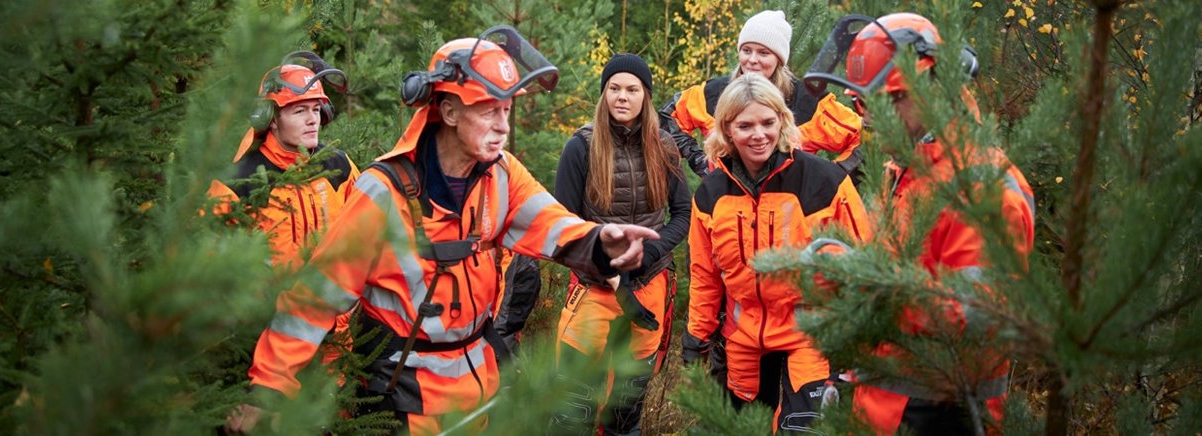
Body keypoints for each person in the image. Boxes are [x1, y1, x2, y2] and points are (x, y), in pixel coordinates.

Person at [225, 26, 660, 435]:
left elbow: (552, 223)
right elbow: (313, 300)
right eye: (488, 109)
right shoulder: (384, 193)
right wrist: (267, 389)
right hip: (400, 402)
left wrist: (600, 242)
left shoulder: (500, 175)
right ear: (448, 110)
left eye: (506, 110)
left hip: (480, 395)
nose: (503, 126)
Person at [802, 12, 1036, 434]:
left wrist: (866, 287)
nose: (873, 119)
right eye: (864, 104)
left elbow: (980, 315)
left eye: (890, 101)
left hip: (942, 415)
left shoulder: (982, 187)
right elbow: (902, 270)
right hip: (883, 406)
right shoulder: (908, 169)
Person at [681, 73, 871, 433]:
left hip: (810, 336)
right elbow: (705, 276)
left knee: (801, 429)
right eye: (745, 125)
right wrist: (697, 340)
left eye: (768, 122)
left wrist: (860, 341)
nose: (759, 135)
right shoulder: (710, 195)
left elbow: (863, 265)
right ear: (726, 129)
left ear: (784, 121)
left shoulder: (824, 182)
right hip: (744, 343)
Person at [548, 53, 691, 435]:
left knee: (626, 409)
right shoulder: (580, 147)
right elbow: (562, 226)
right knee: (573, 408)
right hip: (594, 289)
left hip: (650, 286)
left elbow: (682, 214)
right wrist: (608, 268)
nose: (622, 97)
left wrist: (652, 255)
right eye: (614, 88)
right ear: (604, 94)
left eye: (632, 89)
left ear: (646, 95)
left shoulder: (664, 146)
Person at [207, 51, 358, 366]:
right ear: (271, 119)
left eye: (316, 109)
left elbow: (369, 234)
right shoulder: (238, 183)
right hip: (267, 341)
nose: (312, 119)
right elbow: (211, 266)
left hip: (339, 337)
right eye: (299, 110)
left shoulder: (339, 166)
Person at [660, 9, 864, 181]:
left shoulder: (808, 101)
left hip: (789, 212)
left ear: (779, 59)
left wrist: (832, 178)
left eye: (763, 53)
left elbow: (864, 138)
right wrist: (700, 161)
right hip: (726, 210)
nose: (752, 60)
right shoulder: (714, 93)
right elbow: (667, 120)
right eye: (746, 50)